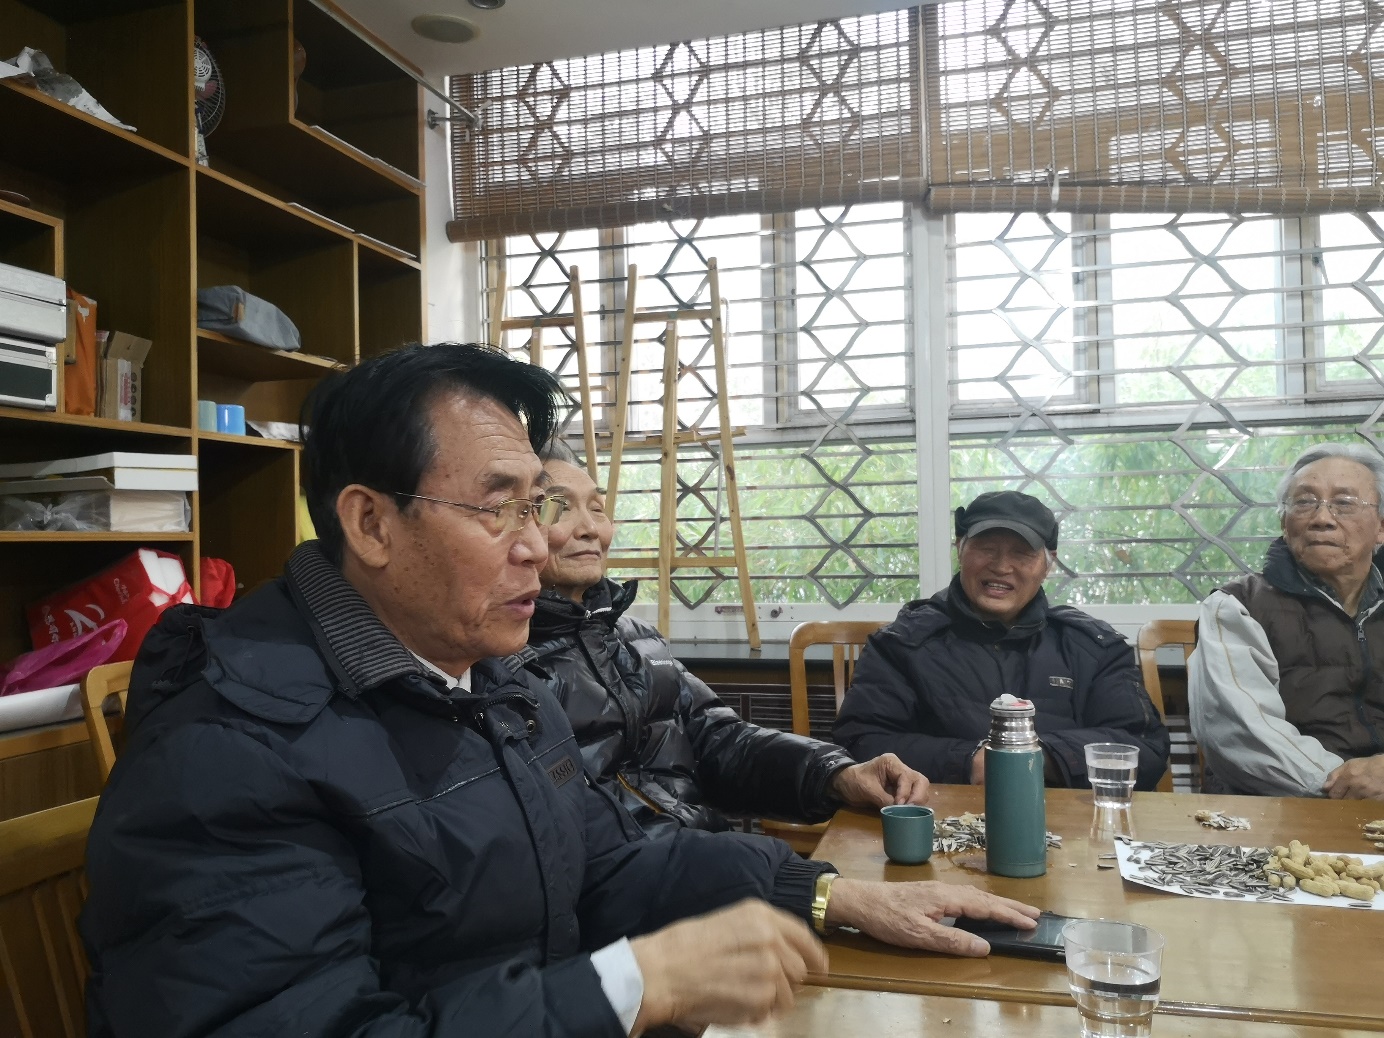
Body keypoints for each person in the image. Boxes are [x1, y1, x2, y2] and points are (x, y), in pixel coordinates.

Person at [80, 344, 1040, 1038]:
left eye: (534, 505)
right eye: (498, 508)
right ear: (370, 524)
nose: (539, 545)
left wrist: (828, 896)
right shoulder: (229, 747)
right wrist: (631, 984)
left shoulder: (486, 679)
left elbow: (607, 860)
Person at [528, 441, 929, 839]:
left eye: (598, 508)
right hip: (646, 868)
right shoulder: (510, 665)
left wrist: (837, 774)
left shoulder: (639, 640)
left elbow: (720, 740)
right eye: (560, 507)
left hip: (701, 849)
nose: (591, 528)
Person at [833, 491, 1169, 789]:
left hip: (1070, 825)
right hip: (939, 817)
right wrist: (970, 762)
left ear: (1048, 564)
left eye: (1022, 554)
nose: (1001, 566)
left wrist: (1035, 758)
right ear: (960, 549)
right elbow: (860, 743)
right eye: (986, 549)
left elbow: (1143, 748)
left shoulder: (1095, 647)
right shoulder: (901, 645)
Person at [1190, 443, 1384, 801]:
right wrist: (1349, 786)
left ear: (1381, 527)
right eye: (1304, 502)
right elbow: (1244, 735)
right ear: (1284, 523)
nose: (1322, 518)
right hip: (1281, 808)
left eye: (1344, 503)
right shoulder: (1236, 607)